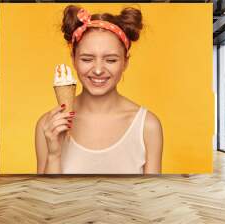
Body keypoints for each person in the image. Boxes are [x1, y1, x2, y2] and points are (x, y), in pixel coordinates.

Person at [35, 5, 163, 174]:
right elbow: (45, 198)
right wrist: (54, 155)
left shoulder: (147, 126)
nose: (97, 70)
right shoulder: (48, 126)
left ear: (125, 62)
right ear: (73, 59)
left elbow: (152, 197)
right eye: (87, 59)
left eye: (110, 60)